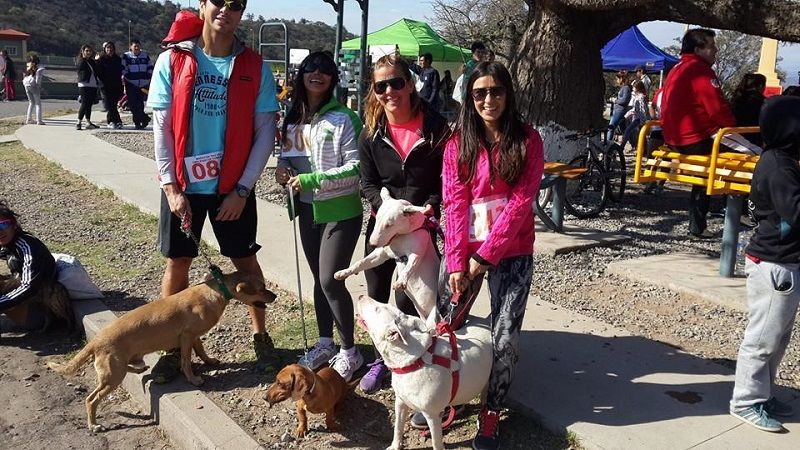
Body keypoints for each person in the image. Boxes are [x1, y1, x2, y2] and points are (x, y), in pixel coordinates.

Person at [146, 2, 280, 382]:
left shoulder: (255, 67)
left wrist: (242, 189)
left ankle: (261, 337)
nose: (227, 9)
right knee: (178, 263)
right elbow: (161, 129)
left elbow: (264, 133)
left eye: (237, 4)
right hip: (185, 187)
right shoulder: (172, 60)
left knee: (246, 262)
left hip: (231, 189)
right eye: (218, 0)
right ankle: (172, 348)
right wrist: (170, 186)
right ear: (203, 6)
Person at [442, 61, 544, 450]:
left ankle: (492, 411)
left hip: (512, 252)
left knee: (504, 337)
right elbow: (454, 202)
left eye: (496, 91)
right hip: (465, 252)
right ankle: (448, 392)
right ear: (470, 98)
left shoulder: (528, 140)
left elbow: (520, 203)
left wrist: (485, 258)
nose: (488, 100)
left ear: (508, 94)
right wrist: (456, 262)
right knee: (448, 322)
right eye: (479, 93)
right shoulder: (457, 144)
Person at [358, 52, 450, 393]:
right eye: (381, 86)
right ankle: (381, 360)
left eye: (396, 82)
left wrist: (431, 205)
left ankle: (420, 360)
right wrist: (380, 207)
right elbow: (366, 181)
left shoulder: (436, 126)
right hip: (384, 224)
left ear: (410, 84)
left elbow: (446, 176)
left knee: (411, 298)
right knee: (377, 293)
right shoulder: (371, 131)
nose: (389, 92)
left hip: (421, 226)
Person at [274, 52, 364, 381]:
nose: (317, 74)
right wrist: (282, 169)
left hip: (341, 210)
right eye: (311, 68)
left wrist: (312, 180)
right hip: (308, 209)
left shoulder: (345, 118)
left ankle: (350, 352)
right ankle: (326, 342)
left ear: (333, 79)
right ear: (301, 74)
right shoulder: (293, 115)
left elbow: (356, 169)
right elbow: (287, 156)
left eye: (325, 70)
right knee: (319, 281)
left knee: (330, 280)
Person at [729, 96, 800, 433]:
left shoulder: (780, 160)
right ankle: (745, 401)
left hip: (782, 262)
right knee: (762, 339)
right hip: (774, 266)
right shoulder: (779, 166)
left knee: (778, 337)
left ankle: (763, 392)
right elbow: (796, 212)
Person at [660, 28, 759, 239]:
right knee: (761, 155)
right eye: (712, 46)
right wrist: (732, 125)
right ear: (698, 49)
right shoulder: (700, 71)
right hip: (699, 138)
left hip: (675, 140)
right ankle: (749, 212)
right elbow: (717, 110)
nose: (716, 51)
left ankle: (697, 226)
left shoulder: (677, 69)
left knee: (704, 172)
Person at [0, 201, 69, 330]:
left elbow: (28, 286)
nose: (0, 231)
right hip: (26, 303)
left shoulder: (28, 247)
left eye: (3, 225)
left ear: (14, 225)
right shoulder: (9, 245)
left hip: (40, 313)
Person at [122, 39, 153, 130]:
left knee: (140, 103)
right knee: (132, 104)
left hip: (143, 83)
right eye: (134, 46)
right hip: (131, 84)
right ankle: (141, 120)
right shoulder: (126, 56)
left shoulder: (145, 56)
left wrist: (148, 77)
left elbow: (150, 67)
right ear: (131, 47)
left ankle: (141, 121)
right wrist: (128, 77)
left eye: (138, 46)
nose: (136, 48)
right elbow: (124, 68)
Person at [731, 73, 767, 147]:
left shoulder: (736, 98)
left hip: (733, 138)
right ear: (761, 86)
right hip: (753, 141)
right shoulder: (762, 102)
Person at [97, 42, 125, 129]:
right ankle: (113, 121)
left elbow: (120, 71)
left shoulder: (117, 59)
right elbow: (97, 71)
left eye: (111, 48)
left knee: (113, 104)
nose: (110, 50)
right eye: (108, 48)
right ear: (104, 49)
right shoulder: (101, 59)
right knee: (109, 105)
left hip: (116, 85)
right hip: (105, 86)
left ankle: (116, 121)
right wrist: (96, 61)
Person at [76, 44, 100, 130]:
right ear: (82, 51)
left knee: (89, 104)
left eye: (90, 51)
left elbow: (97, 70)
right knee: (84, 103)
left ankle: (88, 122)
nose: (88, 53)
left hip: (92, 84)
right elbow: (80, 67)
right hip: (84, 84)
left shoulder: (92, 61)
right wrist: (84, 57)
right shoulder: (80, 60)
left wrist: (96, 61)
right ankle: (78, 122)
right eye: (86, 51)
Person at [620, 80, 650, 151]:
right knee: (641, 135)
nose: (633, 88)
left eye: (634, 87)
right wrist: (626, 116)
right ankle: (644, 149)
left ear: (638, 88)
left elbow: (643, 110)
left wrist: (644, 121)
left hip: (640, 119)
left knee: (629, 131)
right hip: (638, 118)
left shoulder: (641, 97)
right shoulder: (638, 96)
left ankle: (622, 147)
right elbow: (634, 109)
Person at [606, 71, 631, 143]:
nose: (616, 80)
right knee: (624, 130)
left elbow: (624, 100)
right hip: (618, 110)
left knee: (611, 127)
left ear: (621, 79)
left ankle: (608, 144)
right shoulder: (623, 88)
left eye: (617, 79)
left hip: (619, 111)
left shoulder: (626, 88)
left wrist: (615, 100)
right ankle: (632, 143)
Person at [22, 54, 45, 125]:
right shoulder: (40, 68)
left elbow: (25, 75)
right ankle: (39, 120)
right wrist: (40, 88)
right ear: (38, 61)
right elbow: (38, 81)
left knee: (31, 102)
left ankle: (29, 119)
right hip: (34, 85)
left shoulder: (28, 66)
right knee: (38, 103)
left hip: (26, 84)